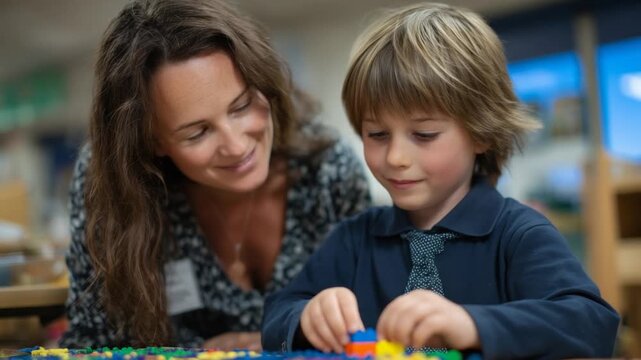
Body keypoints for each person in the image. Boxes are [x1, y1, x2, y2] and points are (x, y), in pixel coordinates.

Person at [261, 3, 620, 359]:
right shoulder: (353, 240)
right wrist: (307, 317)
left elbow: (593, 323)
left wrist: (474, 324)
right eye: (377, 134)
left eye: (425, 134)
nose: (396, 158)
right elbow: (277, 314)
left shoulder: (519, 234)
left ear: (481, 134)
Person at [60, 0, 371, 349]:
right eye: (197, 133)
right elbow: (96, 341)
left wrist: (264, 342)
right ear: (152, 141)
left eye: (241, 107)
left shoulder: (328, 169)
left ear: (264, 82)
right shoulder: (111, 183)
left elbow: (373, 323)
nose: (236, 146)